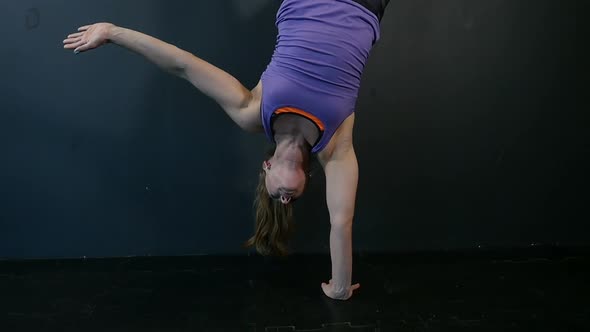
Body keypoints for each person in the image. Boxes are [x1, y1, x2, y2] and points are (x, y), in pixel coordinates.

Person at [63, 0, 389, 300]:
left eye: (277, 198)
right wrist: (341, 286)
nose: (286, 198)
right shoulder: (335, 148)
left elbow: (184, 65)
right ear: (307, 180)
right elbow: (341, 221)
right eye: (292, 200)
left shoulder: (252, 111)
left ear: (267, 168)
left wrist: (114, 32)